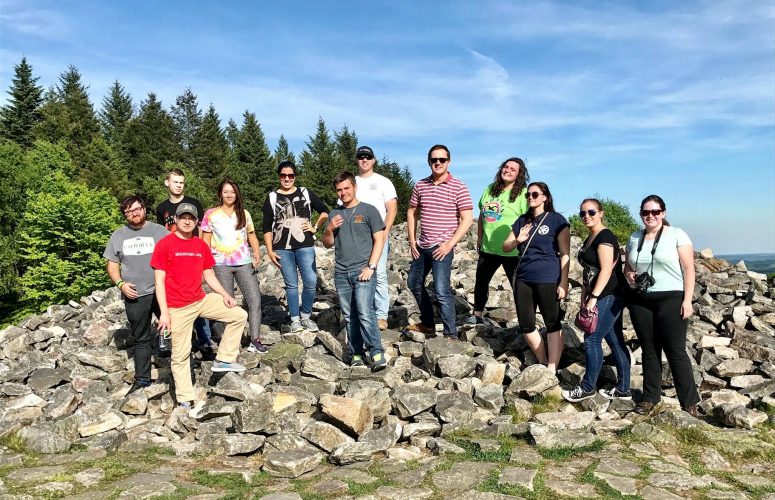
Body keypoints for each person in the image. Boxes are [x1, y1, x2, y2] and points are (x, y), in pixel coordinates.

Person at [151, 203, 248, 409]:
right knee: (180, 354)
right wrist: (164, 314)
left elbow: (209, 275)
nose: (187, 221)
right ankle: (185, 397)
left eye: (191, 218)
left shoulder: (200, 245)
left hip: (200, 299)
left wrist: (224, 294)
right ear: (175, 220)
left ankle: (224, 359)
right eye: (183, 217)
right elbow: (159, 281)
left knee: (238, 314)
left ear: (197, 222)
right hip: (177, 307)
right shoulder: (164, 245)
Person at [625, 194, 701, 416]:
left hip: (671, 297)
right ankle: (650, 398)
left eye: (655, 212)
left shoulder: (676, 234)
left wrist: (687, 301)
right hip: (641, 299)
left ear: (663, 213)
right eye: (646, 212)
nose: (650, 216)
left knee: (675, 350)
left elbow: (689, 269)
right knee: (649, 350)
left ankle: (689, 403)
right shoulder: (634, 237)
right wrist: (629, 274)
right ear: (641, 214)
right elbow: (628, 267)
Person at [562, 199, 632, 402]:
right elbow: (588, 271)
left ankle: (587, 387)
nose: (586, 216)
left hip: (609, 295)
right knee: (615, 341)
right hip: (599, 294)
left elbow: (607, 269)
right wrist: (585, 294)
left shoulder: (605, 236)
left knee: (592, 339)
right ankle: (623, 389)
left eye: (591, 212)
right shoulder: (590, 238)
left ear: (601, 213)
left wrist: (593, 298)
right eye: (582, 213)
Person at [406, 145, 473, 340]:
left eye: (442, 160)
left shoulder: (458, 186)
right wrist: (412, 240)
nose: (438, 163)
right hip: (422, 245)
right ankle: (427, 323)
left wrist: (449, 244)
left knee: (442, 290)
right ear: (429, 162)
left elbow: (467, 219)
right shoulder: (421, 185)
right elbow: (411, 212)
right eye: (434, 160)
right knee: (413, 283)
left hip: (442, 246)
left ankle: (450, 334)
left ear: (448, 162)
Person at [104, 196, 169, 394]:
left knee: (174, 330)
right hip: (134, 294)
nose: (134, 213)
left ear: (144, 208)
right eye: (129, 211)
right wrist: (120, 284)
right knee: (140, 338)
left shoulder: (160, 231)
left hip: (162, 291)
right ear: (125, 214)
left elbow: (174, 255)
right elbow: (112, 265)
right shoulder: (118, 235)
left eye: (137, 208)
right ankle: (142, 380)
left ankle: (181, 372)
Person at [322, 172, 387, 370]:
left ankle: (376, 352)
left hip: (363, 271)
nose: (343, 193)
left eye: (346, 188)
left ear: (354, 187)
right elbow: (326, 244)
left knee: (365, 311)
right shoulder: (334, 214)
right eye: (339, 190)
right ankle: (356, 353)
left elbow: (380, 239)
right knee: (350, 316)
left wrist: (371, 267)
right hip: (341, 273)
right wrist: (329, 229)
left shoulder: (369, 210)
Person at [503, 182, 569, 374]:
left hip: (548, 276)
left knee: (552, 322)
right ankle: (542, 360)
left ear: (545, 197)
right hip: (523, 277)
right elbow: (505, 247)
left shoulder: (557, 220)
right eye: (528, 195)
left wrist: (563, 282)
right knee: (526, 324)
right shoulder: (521, 221)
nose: (531, 197)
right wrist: (518, 240)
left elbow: (565, 253)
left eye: (535, 194)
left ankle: (552, 368)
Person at [262, 161, 330, 333]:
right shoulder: (272, 197)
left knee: (310, 281)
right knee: (291, 284)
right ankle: (294, 320)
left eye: (290, 175)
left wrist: (315, 227)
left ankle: (305, 315)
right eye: (283, 175)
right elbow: (266, 227)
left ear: (295, 176)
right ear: (279, 176)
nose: (287, 179)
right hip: (281, 247)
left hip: (305, 244)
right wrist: (270, 250)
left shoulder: (305, 193)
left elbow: (324, 211)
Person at [201, 179, 266, 354]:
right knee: (226, 303)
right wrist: (205, 264)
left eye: (232, 192)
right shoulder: (211, 214)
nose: (229, 195)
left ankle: (255, 339)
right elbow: (205, 241)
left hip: (244, 262)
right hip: (220, 264)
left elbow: (251, 234)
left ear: (237, 194)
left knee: (255, 300)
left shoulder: (244, 213)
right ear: (220, 194)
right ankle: (228, 343)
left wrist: (257, 253)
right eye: (226, 192)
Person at [155, 167, 214, 353]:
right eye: (175, 182)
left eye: (181, 182)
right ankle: (166, 338)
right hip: (171, 259)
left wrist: (204, 251)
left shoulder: (193, 203)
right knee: (166, 300)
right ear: (167, 183)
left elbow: (204, 229)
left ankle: (205, 341)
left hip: (192, 258)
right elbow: (161, 233)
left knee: (196, 298)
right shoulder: (161, 208)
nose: (179, 186)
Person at [468, 157, 529, 325]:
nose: (508, 170)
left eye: (513, 169)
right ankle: (477, 314)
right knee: (481, 282)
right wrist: (480, 237)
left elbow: (528, 220)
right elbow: (482, 215)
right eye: (506, 167)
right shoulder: (490, 189)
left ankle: (525, 320)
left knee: (518, 286)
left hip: (512, 250)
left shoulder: (523, 194)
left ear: (519, 174)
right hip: (488, 247)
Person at [353, 145, 398, 331]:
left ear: (374, 160)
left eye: (368, 157)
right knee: (358, 273)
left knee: (378, 273)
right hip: (356, 236)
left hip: (378, 234)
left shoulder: (383, 182)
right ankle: (362, 310)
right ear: (357, 160)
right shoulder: (352, 181)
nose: (364, 160)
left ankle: (381, 314)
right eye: (361, 157)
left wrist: (385, 231)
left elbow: (392, 207)